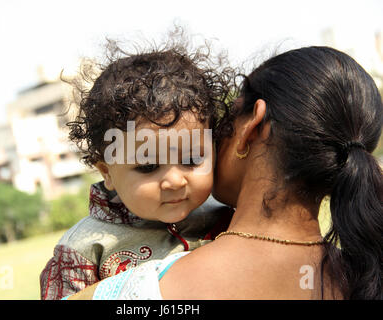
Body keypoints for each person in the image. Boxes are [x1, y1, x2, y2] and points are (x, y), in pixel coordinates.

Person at [68, 46, 382, 300]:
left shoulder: (134, 291)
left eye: (225, 121)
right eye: (149, 165)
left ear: (250, 127)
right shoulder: (363, 278)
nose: (176, 177)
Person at [40, 37, 234, 300]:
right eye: (148, 167)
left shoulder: (230, 222)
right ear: (107, 172)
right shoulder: (84, 248)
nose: (175, 181)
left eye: (191, 160)